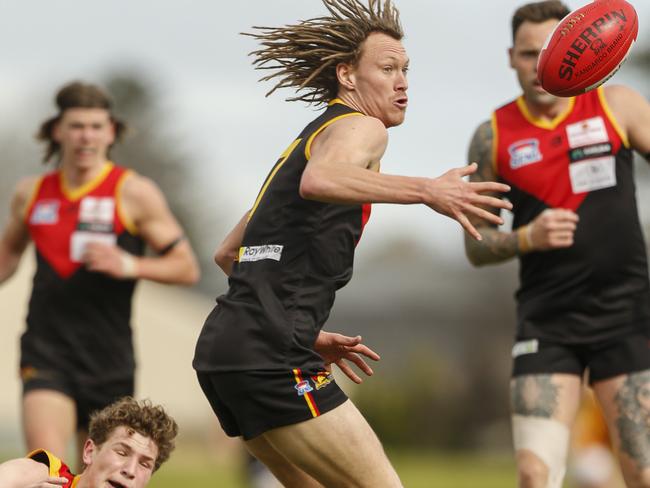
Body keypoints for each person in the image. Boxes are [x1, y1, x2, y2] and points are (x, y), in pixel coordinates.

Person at [193, 0, 512, 486]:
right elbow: (320, 180)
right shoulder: (361, 128)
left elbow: (227, 253)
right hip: (269, 353)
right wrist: (428, 189)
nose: (402, 81)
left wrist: (300, 328)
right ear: (346, 75)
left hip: (225, 348)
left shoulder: (306, 142)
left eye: (406, 69)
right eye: (387, 68)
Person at [464, 1, 650, 487]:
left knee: (643, 472)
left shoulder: (618, 104)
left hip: (627, 316)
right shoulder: (493, 136)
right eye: (529, 55)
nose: (544, 67)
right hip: (547, 321)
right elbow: (475, 245)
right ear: (511, 57)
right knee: (533, 474)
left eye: (552, 52)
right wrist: (528, 236)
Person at [0, 81, 200, 464]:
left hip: (108, 356)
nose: (86, 136)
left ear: (111, 131)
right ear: (58, 130)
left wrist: (127, 264)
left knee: (98, 472)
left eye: (95, 126)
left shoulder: (133, 192)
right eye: (76, 126)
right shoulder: (32, 192)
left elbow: (186, 267)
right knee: (47, 469)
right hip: (46, 350)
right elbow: (8, 251)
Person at [0, 396, 178, 488]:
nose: (130, 471)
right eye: (122, 453)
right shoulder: (41, 475)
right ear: (89, 451)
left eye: (145, 464)